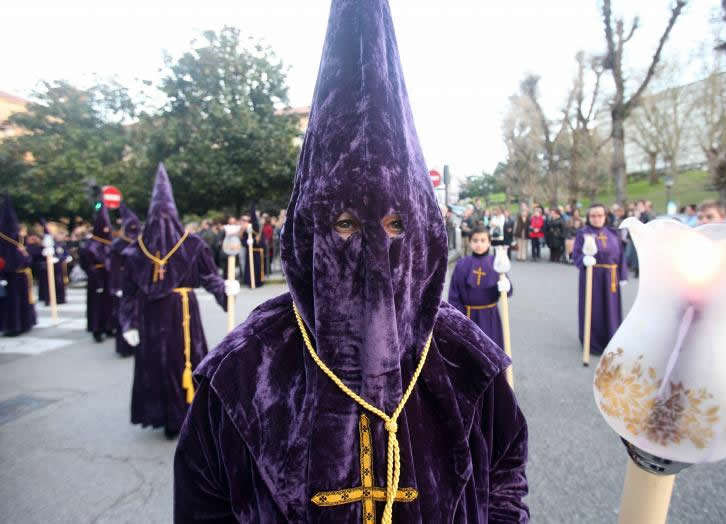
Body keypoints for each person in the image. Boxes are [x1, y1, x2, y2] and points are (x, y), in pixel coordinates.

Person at [174, 2, 529, 521]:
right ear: (310, 228)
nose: (375, 257)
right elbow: (202, 505)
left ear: (422, 228)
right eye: (344, 223)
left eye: (396, 224)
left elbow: (505, 472)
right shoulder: (245, 369)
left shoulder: (463, 355)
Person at [120, 163, 237, 439]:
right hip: (160, 315)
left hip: (178, 316)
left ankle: (186, 414)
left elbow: (210, 277)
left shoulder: (189, 244)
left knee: (178, 361)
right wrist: (128, 323)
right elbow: (128, 292)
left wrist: (225, 288)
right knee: (159, 363)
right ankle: (167, 414)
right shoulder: (139, 250)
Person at [574, 203, 628, 355]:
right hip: (593, 277)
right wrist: (583, 260)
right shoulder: (583, 233)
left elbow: (621, 257)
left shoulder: (612, 233)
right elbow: (576, 254)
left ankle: (612, 340)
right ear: (589, 217)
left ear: (605, 216)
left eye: (600, 215)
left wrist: (622, 276)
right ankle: (593, 342)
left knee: (611, 309)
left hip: (611, 278)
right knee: (594, 309)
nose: (597, 219)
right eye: (593, 216)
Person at [448, 226, 512, 349]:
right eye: (475, 240)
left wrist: (507, 286)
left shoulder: (497, 263)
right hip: (468, 315)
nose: (479, 244)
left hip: (490, 316)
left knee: (491, 349)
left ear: (489, 242)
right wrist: (459, 318)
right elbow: (454, 294)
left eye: (483, 241)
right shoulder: (462, 264)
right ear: (470, 242)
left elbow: (506, 293)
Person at [0, 195, 36, 335]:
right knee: (12, 303)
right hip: (11, 277)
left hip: (22, 276)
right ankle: (12, 326)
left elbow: (27, 259)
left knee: (23, 301)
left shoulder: (20, 243)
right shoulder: (5, 244)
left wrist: (25, 255)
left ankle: (25, 323)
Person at [107, 204, 141, 357]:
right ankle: (124, 347)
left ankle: (136, 345)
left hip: (138, 284)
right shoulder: (117, 245)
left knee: (137, 313)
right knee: (125, 313)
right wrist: (116, 286)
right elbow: (114, 267)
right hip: (123, 283)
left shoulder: (141, 243)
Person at [79, 206, 114, 342]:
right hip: (97, 278)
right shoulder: (90, 245)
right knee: (97, 304)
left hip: (110, 277)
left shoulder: (111, 243)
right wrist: (93, 273)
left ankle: (109, 326)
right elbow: (85, 262)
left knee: (110, 303)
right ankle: (97, 329)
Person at [33, 219, 70, 305]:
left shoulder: (57, 241)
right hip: (47, 265)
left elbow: (61, 251)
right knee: (48, 283)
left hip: (58, 265)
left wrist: (61, 257)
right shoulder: (46, 238)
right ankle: (49, 299)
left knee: (59, 282)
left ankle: (59, 299)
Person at [242, 206, 266, 288]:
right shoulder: (246, 228)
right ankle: (250, 282)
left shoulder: (257, 227)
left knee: (257, 267)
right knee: (250, 267)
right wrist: (249, 242)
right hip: (250, 251)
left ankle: (258, 282)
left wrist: (257, 241)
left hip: (257, 251)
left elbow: (262, 240)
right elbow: (243, 240)